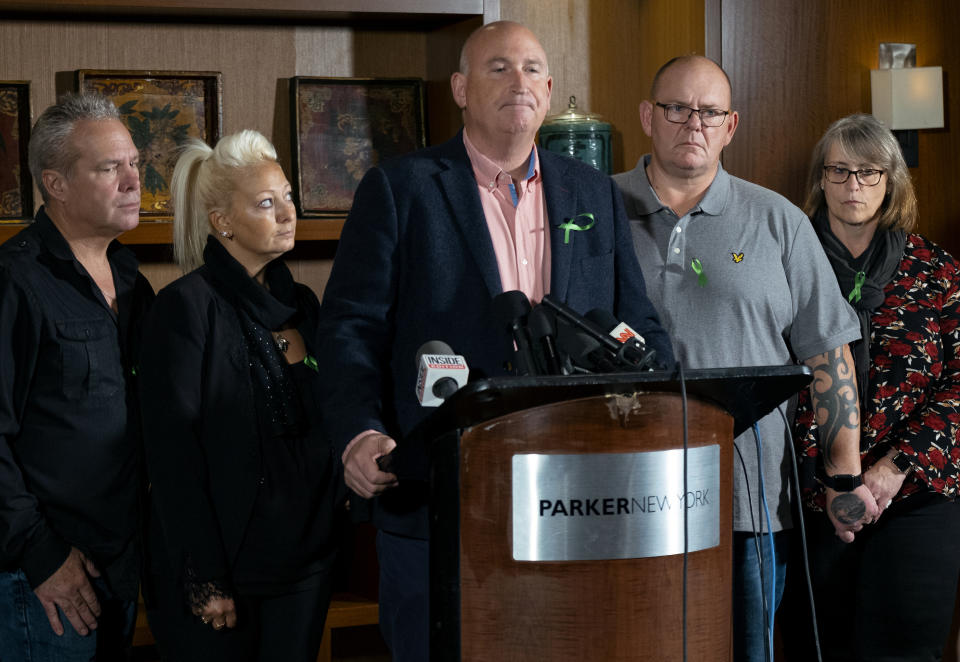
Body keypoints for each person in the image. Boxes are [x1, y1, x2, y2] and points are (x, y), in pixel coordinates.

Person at [317, 20, 673, 661]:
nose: (520, 82)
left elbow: (637, 323)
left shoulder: (591, 190)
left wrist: (660, 392)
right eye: (499, 68)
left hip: (575, 494)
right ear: (459, 87)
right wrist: (360, 431)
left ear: (550, 88)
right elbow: (350, 328)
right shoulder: (400, 189)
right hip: (439, 491)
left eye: (533, 68)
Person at [613, 56, 878, 661]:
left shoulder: (778, 221)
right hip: (619, 494)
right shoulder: (597, 210)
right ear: (648, 117)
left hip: (747, 507)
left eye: (708, 112)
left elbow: (828, 358)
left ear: (731, 126)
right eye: (677, 109)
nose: (693, 124)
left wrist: (844, 476)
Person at [138, 130, 343, 662]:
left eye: (289, 197)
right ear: (222, 222)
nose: (287, 213)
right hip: (227, 568)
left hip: (307, 563)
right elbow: (172, 456)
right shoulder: (184, 308)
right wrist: (205, 577)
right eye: (266, 203)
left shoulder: (302, 302)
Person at [789, 113, 960, 661]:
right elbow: (775, 377)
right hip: (809, 498)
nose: (852, 186)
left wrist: (887, 474)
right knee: (817, 648)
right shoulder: (786, 263)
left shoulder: (935, 270)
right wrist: (835, 483)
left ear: (890, 181)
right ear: (820, 179)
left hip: (914, 495)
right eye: (839, 171)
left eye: (868, 173)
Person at [0, 93, 154, 660]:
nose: (134, 180)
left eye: (135, 163)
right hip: (40, 578)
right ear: (57, 184)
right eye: (110, 168)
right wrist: (43, 556)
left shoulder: (132, 279)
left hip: (120, 564)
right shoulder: (13, 282)